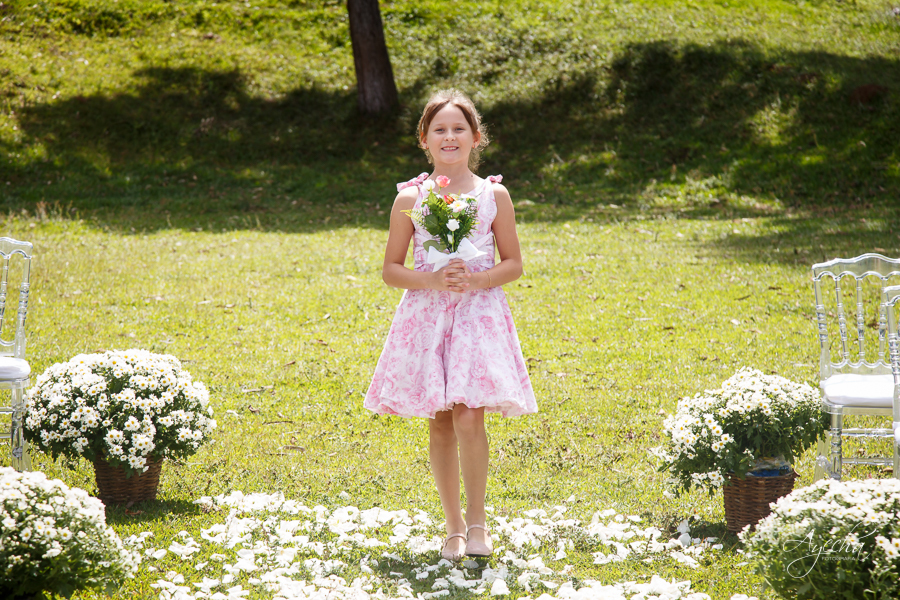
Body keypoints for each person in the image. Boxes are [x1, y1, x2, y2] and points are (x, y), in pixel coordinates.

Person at [364, 89, 537, 561]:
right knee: (440, 420)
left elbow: (515, 262)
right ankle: (454, 528)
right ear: (424, 139)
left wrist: (478, 279)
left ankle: (479, 525)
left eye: (459, 128)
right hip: (426, 316)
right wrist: (433, 279)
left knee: (469, 413)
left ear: (476, 137)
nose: (449, 136)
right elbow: (390, 270)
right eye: (439, 129)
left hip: (478, 317)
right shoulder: (410, 198)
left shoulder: (493, 195)